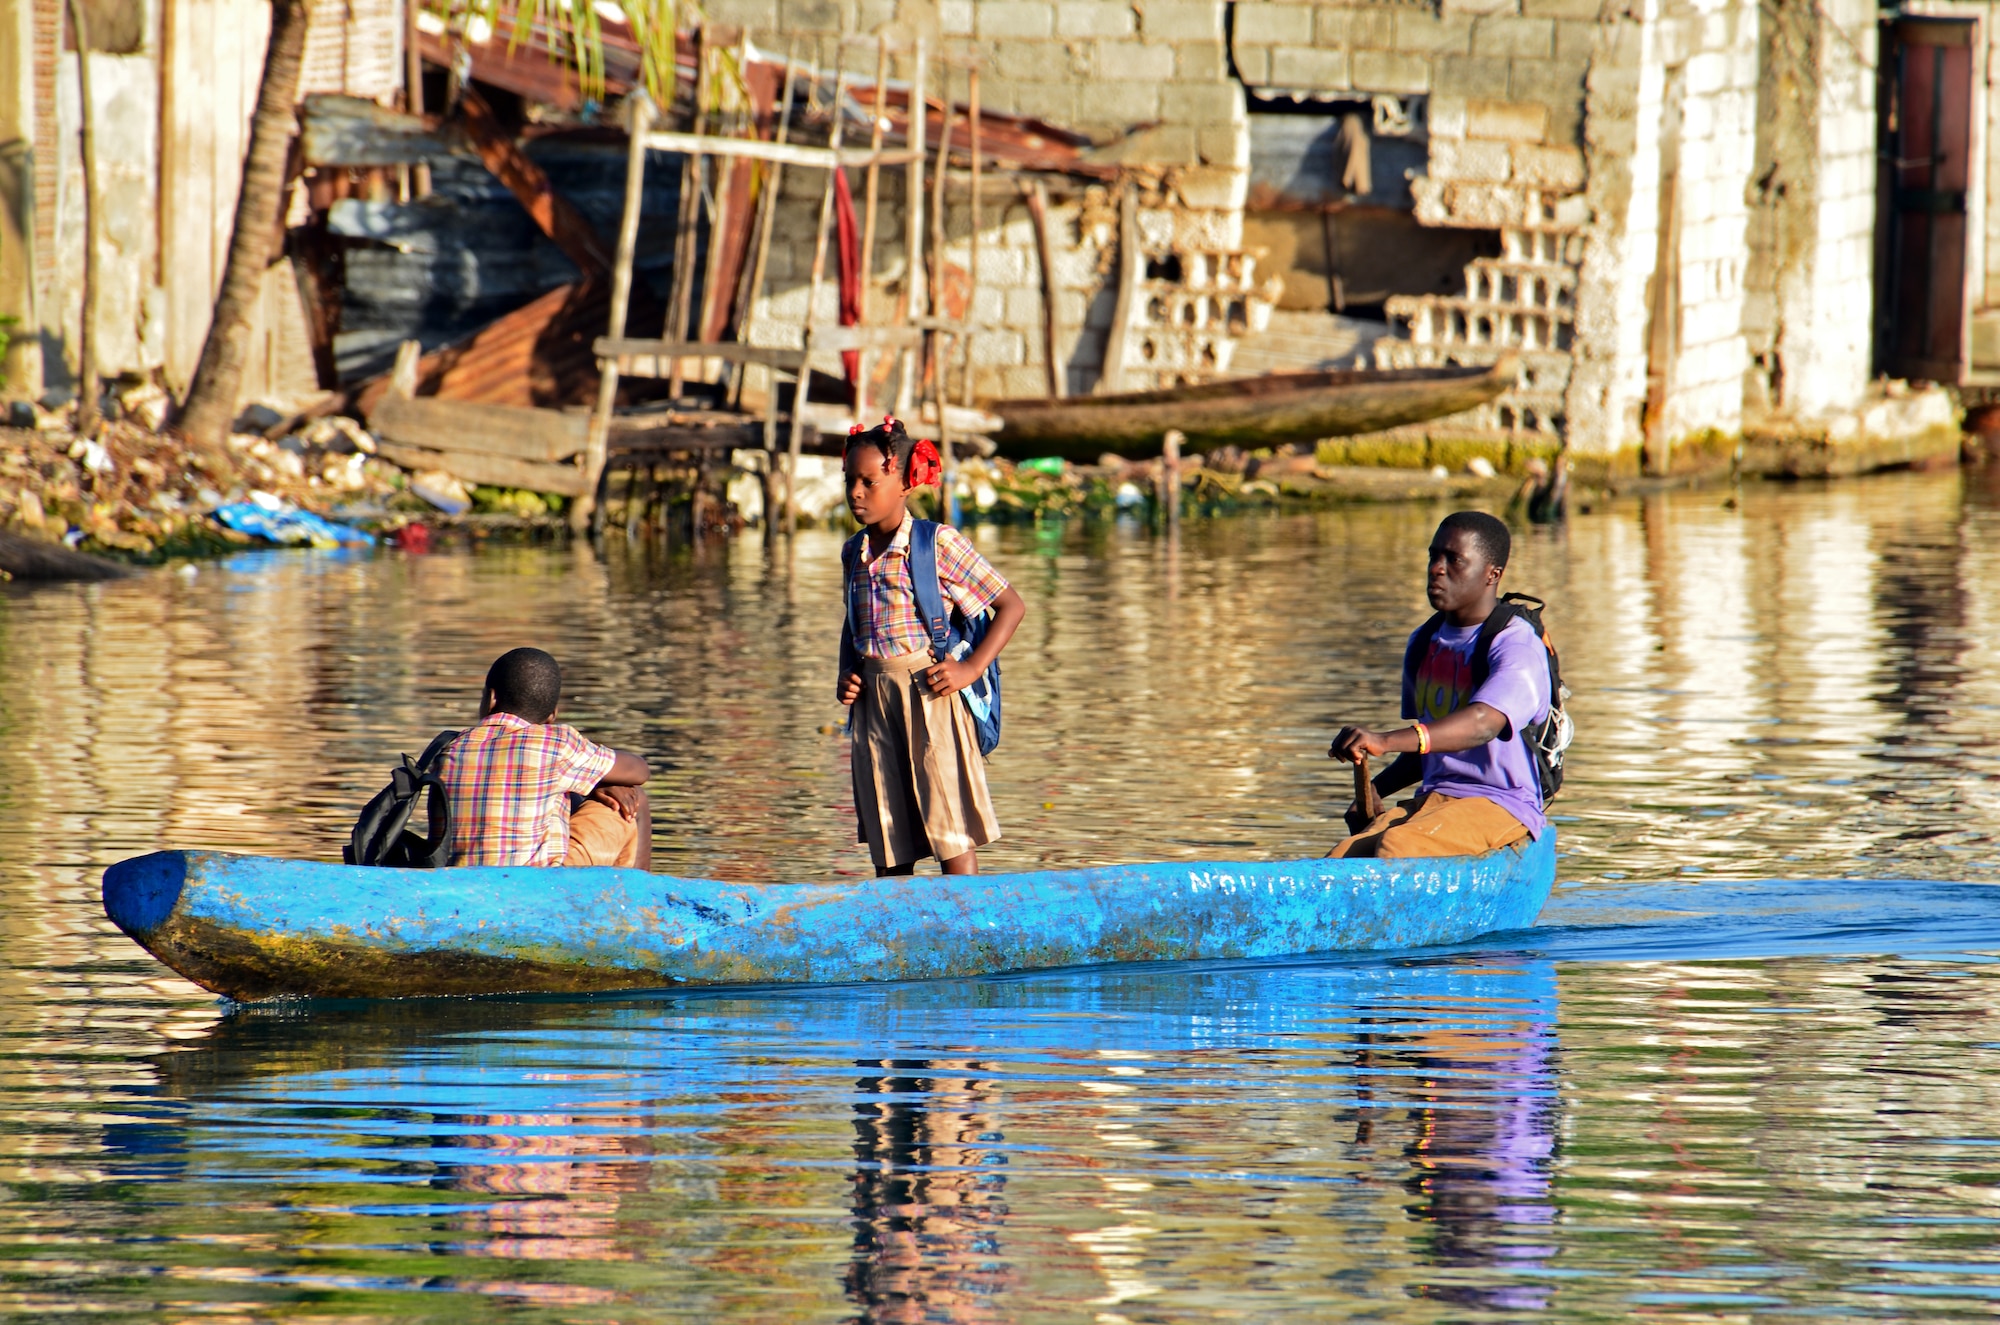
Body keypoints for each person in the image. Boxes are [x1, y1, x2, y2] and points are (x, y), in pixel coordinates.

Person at [838, 416, 1027, 877]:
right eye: (850, 482)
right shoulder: (853, 551)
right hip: (875, 705)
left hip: (931, 697)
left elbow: (1011, 606)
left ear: (905, 482)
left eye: (869, 481)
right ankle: (898, 932)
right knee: (889, 834)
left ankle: (966, 925)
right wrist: (847, 671)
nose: (856, 493)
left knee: (950, 830)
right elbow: (852, 621)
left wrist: (970, 670)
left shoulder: (936, 544)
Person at [1328, 511, 1549, 858]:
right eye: (1434, 556)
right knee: (1342, 857)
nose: (1436, 568)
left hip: (1501, 804)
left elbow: (1482, 724)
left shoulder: (1516, 645)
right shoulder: (1424, 641)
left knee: (1397, 846)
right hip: (1434, 800)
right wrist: (1374, 789)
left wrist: (1383, 741)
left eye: (1455, 559)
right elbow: (1427, 747)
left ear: (1493, 574)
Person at [439, 647, 653, 870]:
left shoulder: (449, 747)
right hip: (539, 881)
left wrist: (592, 784)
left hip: (460, 874)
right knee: (634, 797)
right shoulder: (556, 743)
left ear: (491, 699)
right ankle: (640, 899)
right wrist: (600, 782)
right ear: (552, 715)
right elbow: (639, 771)